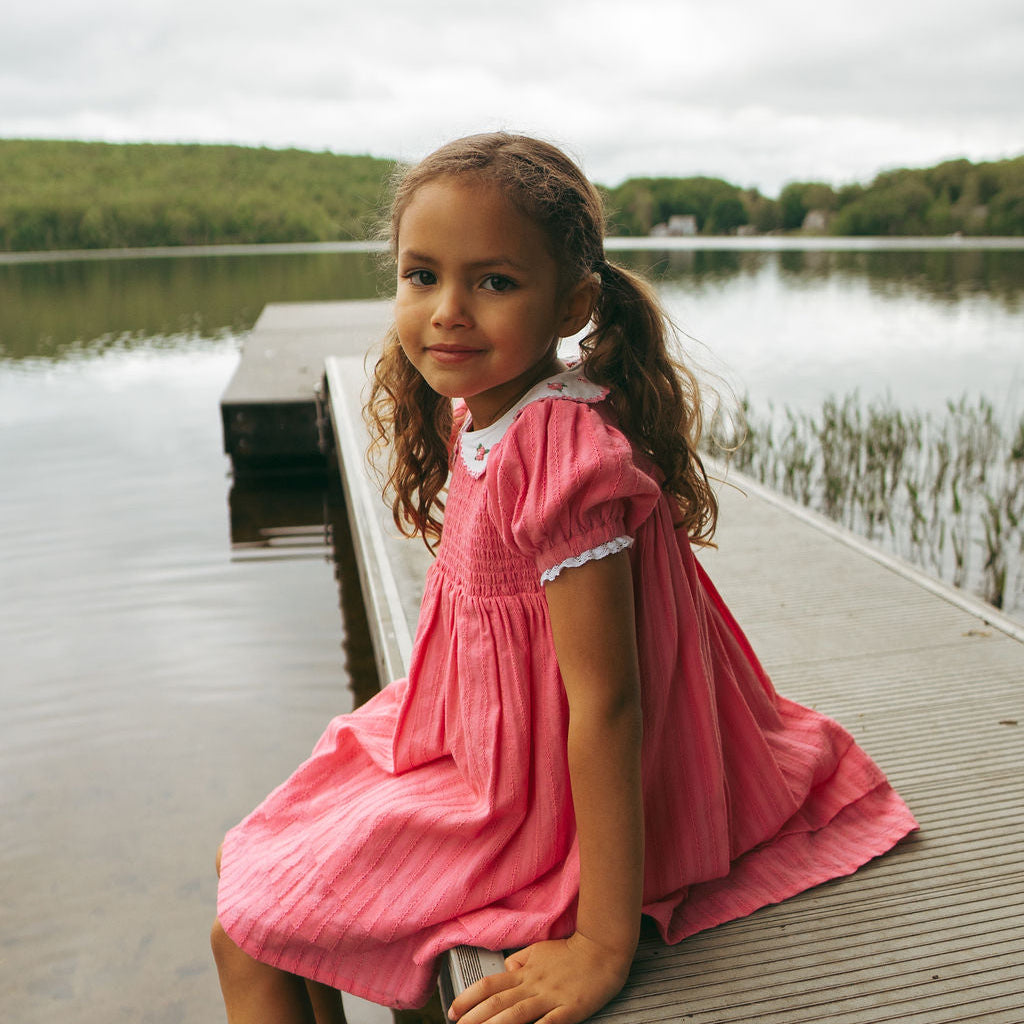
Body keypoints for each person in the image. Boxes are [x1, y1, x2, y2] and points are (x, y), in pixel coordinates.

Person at [212, 132, 918, 1024]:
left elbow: (609, 705)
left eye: (495, 282)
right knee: (259, 890)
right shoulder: (488, 406)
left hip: (540, 791)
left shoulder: (563, 458)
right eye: (421, 275)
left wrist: (600, 944)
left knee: (245, 935)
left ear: (573, 302)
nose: (448, 311)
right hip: (489, 729)